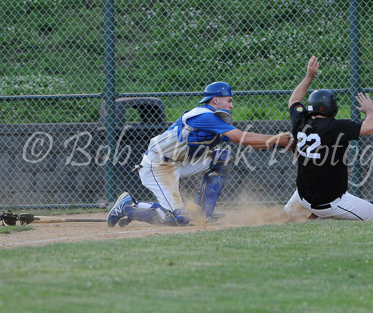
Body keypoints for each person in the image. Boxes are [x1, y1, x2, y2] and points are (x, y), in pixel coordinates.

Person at [108, 82, 291, 227]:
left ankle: (204, 214)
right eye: (229, 100)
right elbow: (241, 137)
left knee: (222, 157)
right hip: (158, 166)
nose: (232, 105)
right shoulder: (203, 115)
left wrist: (277, 143)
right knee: (177, 219)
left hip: (180, 162)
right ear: (215, 100)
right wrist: (277, 139)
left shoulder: (214, 119)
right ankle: (127, 206)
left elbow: (248, 141)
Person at [283, 56, 373, 221]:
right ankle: (321, 215)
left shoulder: (300, 121)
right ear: (332, 108)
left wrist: (309, 77)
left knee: (295, 204)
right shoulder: (335, 127)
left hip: (303, 195)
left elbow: (294, 100)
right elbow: (370, 127)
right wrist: (369, 110)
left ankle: (296, 212)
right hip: (327, 202)